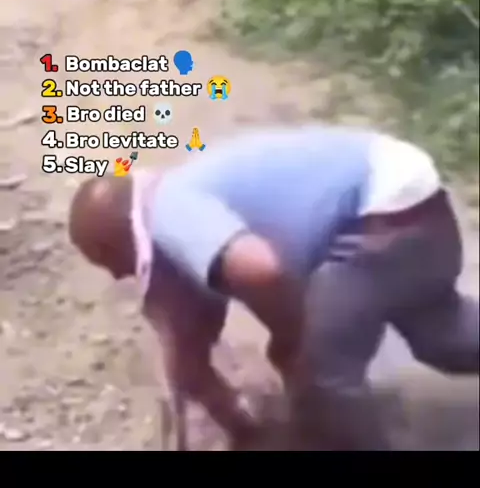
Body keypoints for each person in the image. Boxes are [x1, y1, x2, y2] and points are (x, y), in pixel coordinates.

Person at [68, 125, 479, 450]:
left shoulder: (170, 210)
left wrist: (289, 338)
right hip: (415, 205)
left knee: (320, 372)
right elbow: (188, 343)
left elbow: (262, 271)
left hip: (380, 217)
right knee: (443, 337)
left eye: (108, 261)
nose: (118, 276)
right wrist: (238, 425)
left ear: (117, 238)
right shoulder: (185, 198)